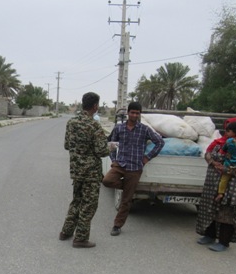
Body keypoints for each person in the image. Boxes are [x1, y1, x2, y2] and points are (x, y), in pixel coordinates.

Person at [196, 117, 236, 252]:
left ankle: (224, 242)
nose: (226, 131)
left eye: (229, 129)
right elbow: (208, 153)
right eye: (226, 128)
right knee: (210, 209)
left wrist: (230, 169)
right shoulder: (220, 142)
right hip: (213, 182)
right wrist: (214, 162)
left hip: (234, 184)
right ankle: (209, 235)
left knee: (227, 212)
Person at [102, 102, 165, 236]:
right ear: (128, 113)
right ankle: (128, 188)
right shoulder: (119, 128)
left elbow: (160, 142)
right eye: (132, 112)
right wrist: (114, 160)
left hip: (135, 167)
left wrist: (148, 157)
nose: (134, 115)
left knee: (126, 200)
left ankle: (117, 225)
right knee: (107, 181)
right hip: (120, 164)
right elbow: (111, 145)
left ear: (139, 114)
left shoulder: (144, 129)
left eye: (137, 113)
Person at [60, 92, 113, 248]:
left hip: (76, 170)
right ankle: (80, 238)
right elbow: (102, 151)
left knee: (76, 200)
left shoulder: (71, 122)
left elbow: (66, 145)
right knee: (89, 204)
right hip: (90, 173)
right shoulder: (94, 125)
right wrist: (110, 147)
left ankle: (66, 232)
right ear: (95, 106)